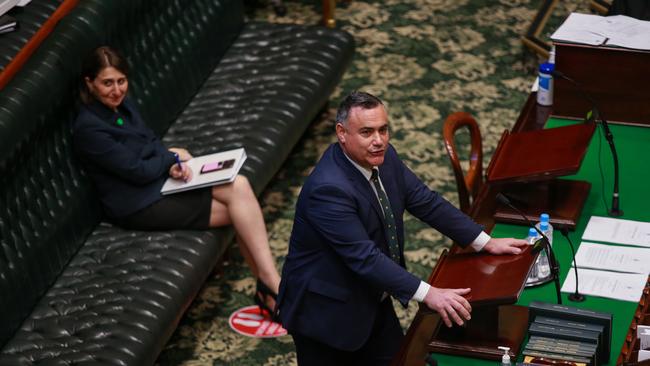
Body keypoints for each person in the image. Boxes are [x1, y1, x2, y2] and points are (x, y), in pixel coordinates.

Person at [276, 91, 528, 365]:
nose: (379, 141)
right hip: (326, 314)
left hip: (372, 296)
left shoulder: (385, 157)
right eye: (367, 132)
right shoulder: (328, 190)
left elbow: (424, 201)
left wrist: (484, 241)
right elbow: (364, 257)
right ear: (342, 133)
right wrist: (429, 293)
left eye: (383, 130)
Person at [72, 46, 280, 316]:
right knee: (238, 210)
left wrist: (174, 162)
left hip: (158, 184)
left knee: (239, 185)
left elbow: (149, 141)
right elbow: (137, 171)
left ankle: (270, 284)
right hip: (138, 204)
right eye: (107, 83)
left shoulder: (122, 105)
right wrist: (170, 158)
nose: (117, 90)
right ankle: (271, 289)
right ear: (89, 83)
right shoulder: (89, 128)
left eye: (121, 81)